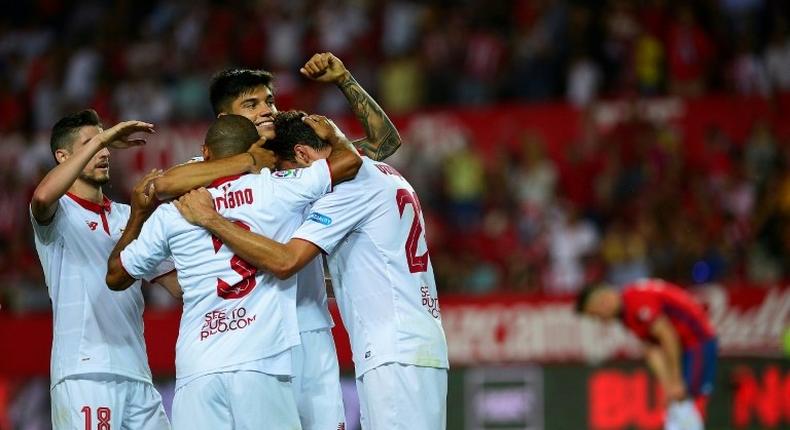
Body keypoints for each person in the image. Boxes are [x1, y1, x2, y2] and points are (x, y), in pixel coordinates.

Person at [152, 52, 401, 430]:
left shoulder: (297, 156)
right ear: (226, 119)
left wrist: (344, 79)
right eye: (251, 104)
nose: (267, 109)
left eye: (269, 99)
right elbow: (161, 186)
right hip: (245, 338)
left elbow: (384, 143)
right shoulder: (201, 171)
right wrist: (249, 163)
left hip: (308, 325)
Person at [175, 113, 449, 430]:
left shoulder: (346, 193)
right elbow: (368, 269)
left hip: (395, 351)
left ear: (303, 154)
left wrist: (212, 220)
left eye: (286, 172)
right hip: (407, 343)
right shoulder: (385, 173)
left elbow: (286, 261)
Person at [106, 113, 362, 430]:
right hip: (261, 364)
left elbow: (116, 276)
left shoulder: (174, 213)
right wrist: (334, 135)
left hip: (197, 369)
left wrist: (137, 215)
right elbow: (350, 161)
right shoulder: (276, 189)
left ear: (206, 155)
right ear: (250, 150)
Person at [29, 109, 178, 429]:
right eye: (93, 144)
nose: (105, 151)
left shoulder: (130, 215)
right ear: (63, 156)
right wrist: (103, 136)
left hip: (138, 373)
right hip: (85, 373)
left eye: (106, 144)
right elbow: (42, 196)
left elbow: (178, 286)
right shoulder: (58, 214)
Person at [576, 279, 718, 430]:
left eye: (596, 314)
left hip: (696, 341)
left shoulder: (635, 301)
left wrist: (675, 380)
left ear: (603, 301)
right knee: (677, 401)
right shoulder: (626, 315)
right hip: (682, 349)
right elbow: (652, 351)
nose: (600, 320)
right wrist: (668, 385)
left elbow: (668, 336)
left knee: (688, 399)